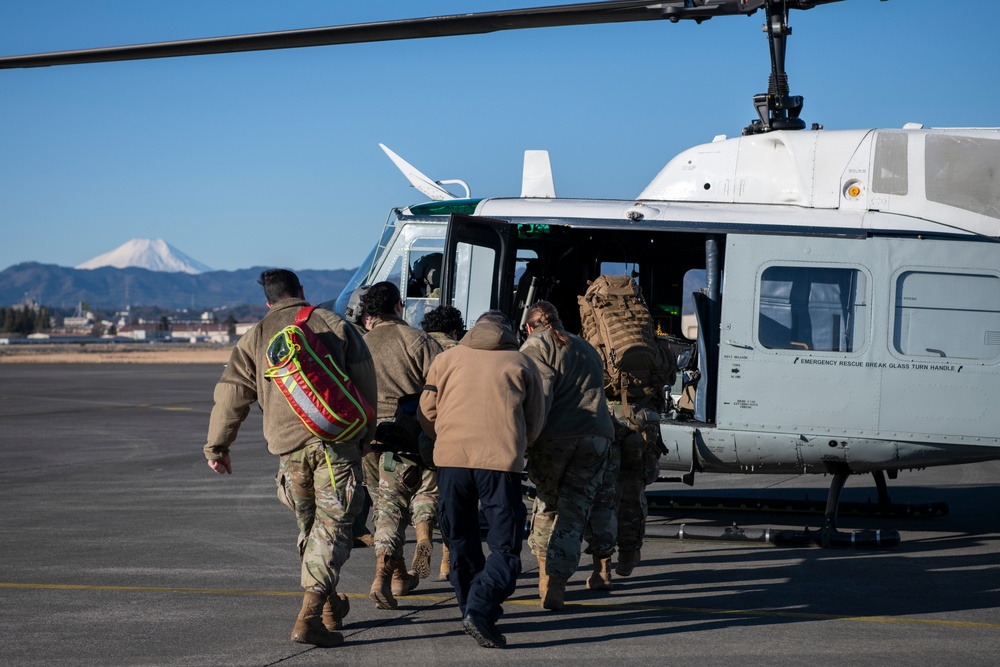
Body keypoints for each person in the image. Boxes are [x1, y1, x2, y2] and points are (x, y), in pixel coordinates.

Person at [203, 268, 377, 649]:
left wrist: (218, 447)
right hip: (335, 444)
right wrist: (366, 433)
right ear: (301, 291)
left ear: (268, 301)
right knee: (332, 530)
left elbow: (232, 395)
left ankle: (329, 608)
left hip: (288, 452)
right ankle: (308, 620)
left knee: (311, 530)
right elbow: (365, 381)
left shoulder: (254, 337)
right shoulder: (332, 322)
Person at [418, 310, 545, 649]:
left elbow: (426, 412)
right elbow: (535, 420)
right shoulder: (521, 362)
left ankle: (469, 608)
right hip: (500, 464)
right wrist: (516, 445)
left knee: (460, 537)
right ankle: (480, 608)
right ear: (507, 331)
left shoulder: (446, 359)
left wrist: (444, 438)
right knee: (505, 546)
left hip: (451, 461)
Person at [520, 301, 614, 610]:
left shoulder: (535, 345)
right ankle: (560, 582)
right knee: (575, 511)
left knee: (546, 504)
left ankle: (547, 582)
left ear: (530, 326)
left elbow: (538, 396)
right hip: (596, 436)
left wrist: (525, 438)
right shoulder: (585, 346)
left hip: (555, 437)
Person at [360, 281, 443, 609]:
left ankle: (393, 577)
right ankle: (414, 547)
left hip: (367, 437)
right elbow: (441, 384)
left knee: (385, 508)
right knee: (425, 491)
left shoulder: (358, 344)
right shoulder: (418, 340)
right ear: (399, 306)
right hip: (408, 436)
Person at [419, 304, 465, 581]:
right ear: (455, 330)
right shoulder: (460, 353)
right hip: (452, 434)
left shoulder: (418, 345)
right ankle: (447, 560)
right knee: (450, 498)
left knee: (420, 493)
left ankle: (423, 535)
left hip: (420, 429)